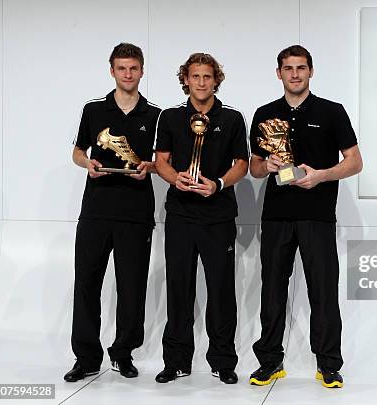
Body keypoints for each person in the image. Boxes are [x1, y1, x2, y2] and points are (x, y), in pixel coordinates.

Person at [249, 45, 363, 389]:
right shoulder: (265, 113)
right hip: (277, 216)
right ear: (279, 73)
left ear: (311, 71)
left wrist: (321, 176)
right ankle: (270, 362)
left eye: (300, 67)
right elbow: (254, 167)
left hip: (317, 215)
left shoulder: (332, 112)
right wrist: (265, 165)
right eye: (288, 68)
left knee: (323, 292)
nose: (295, 74)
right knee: (271, 292)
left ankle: (328, 364)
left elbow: (355, 161)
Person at [64, 43, 161, 382]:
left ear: (142, 71)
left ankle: (123, 353)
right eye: (122, 68)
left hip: (136, 211)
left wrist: (148, 166)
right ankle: (86, 357)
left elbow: (161, 161)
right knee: (87, 282)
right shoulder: (93, 110)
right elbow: (78, 150)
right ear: (112, 70)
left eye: (133, 68)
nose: (128, 74)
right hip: (95, 210)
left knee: (131, 286)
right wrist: (86, 163)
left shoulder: (156, 114)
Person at [153, 52, 248, 385]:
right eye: (195, 76)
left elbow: (242, 163)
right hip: (180, 215)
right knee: (179, 288)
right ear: (186, 80)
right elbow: (160, 160)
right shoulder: (169, 117)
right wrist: (173, 178)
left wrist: (219, 184)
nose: (202, 82)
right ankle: (176, 360)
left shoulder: (233, 118)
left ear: (216, 80)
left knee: (221, 291)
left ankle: (223, 361)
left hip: (218, 216)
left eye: (207, 76)